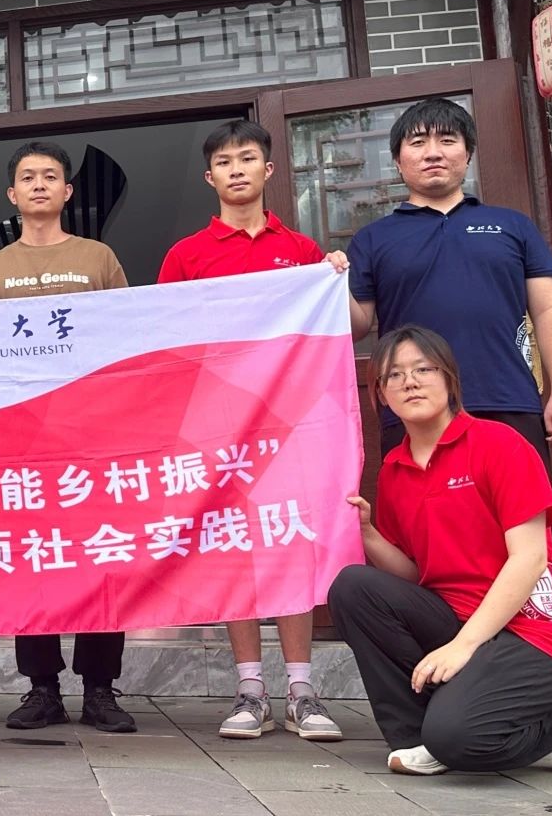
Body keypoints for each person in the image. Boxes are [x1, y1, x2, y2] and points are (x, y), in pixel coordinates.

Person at [328, 325, 552, 776]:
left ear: (450, 379)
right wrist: (368, 534)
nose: (409, 382)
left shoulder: (499, 444)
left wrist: (463, 645)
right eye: (394, 375)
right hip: (453, 616)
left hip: (532, 630)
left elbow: (530, 558)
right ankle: (416, 736)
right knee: (354, 587)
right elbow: (415, 573)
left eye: (423, 369)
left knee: (461, 740)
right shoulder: (394, 470)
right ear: (380, 394)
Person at [157, 119, 345, 743]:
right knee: (235, 547)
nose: (236, 169)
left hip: (291, 427)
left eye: (247, 159)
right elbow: (166, 340)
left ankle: (301, 690)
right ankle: (250, 689)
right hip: (216, 427)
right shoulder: (186, 255)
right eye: (224, 162)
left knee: (290, 543)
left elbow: (328, 333)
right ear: (209, 177)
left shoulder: (304, 252)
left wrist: (332, 276)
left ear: (268, 170)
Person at [0, 140, 135, 734]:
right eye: (27, 177)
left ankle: (100, 688)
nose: (39, 184)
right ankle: (41, 688)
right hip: (20, 443)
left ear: (67, 191)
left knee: (101, 559)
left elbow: (129, 340)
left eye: (50, 176)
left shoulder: (99, 258)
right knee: (32, 562)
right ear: (12, 194)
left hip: (93, 437)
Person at [346, 97, 552, 465]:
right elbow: (357, 325)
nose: (433, 153)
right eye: (418, 142)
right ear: (398, 161)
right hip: (414, 408)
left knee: (519, 504)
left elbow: (549, 309)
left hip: (508, 400)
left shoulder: (513, 226)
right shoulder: (372, 239)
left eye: (447, 140)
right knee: (421, 505)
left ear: (467, 154)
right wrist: (329, 281)